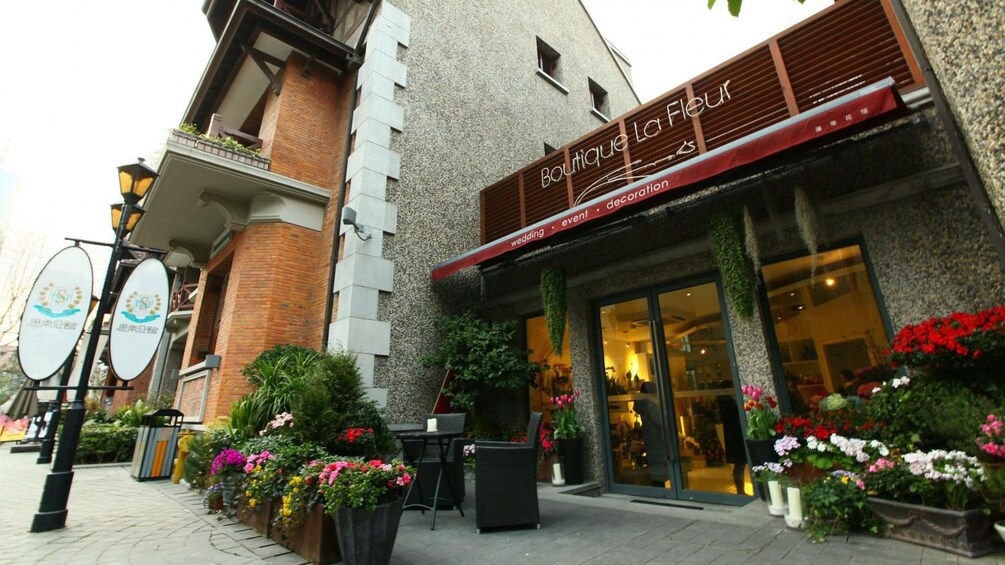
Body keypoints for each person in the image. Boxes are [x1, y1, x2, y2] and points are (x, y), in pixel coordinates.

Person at [635, 381, 668, 487]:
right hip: (656, 436)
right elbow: (659, 420)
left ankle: (656, 484)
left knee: (654, 461)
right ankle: (659, 485)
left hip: (649, 436)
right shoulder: (650, 403)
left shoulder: (643, 402)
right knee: (659, 463)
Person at [716, 391, 747, 495]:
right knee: (740, 464)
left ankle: (740, 490)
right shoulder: (728, 403)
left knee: (739, 464)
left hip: (733, 436)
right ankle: (740, 490)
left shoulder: (724, 403)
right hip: (737, 435)